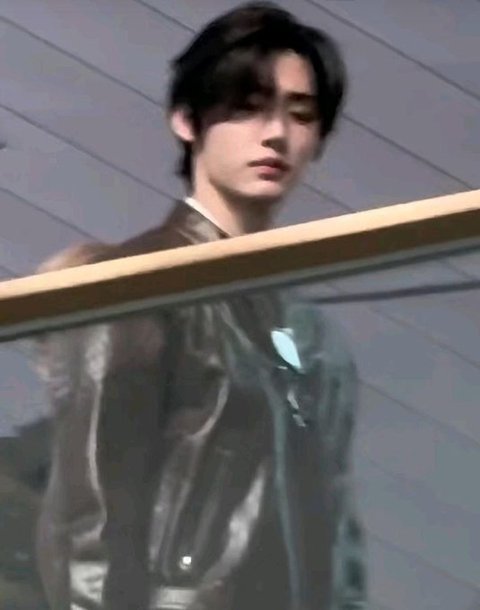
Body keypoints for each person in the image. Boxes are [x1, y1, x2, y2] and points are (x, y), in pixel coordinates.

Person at [35, 3, 367, 609]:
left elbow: (340, 542)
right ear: (187, 121)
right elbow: (89, 525)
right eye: (247, 107)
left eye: (300, 114)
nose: (276, 133)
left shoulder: (307, 333)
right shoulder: (138, 286)